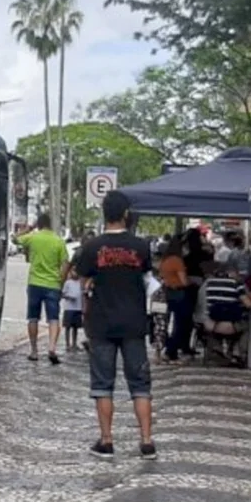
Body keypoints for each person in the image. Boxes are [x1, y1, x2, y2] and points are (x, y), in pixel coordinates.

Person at [76, 191, 156, 461]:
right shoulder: (141, 246)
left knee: (102, 384)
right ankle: (146, 442)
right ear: (126, 214)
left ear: (103, 214)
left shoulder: (91, 247)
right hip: (134, 323)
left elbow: (82, 281)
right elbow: (146, 276)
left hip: (101, 324)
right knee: (140, 384)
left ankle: (107, 441)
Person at [16, 213, 69, 364]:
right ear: (51, 224)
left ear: (38, 224)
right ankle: (51, 347)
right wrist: (61, 281)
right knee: (53, 318)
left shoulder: (33, 238)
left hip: (34, 283)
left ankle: (34, 351)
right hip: (53, 284)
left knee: (33, 318)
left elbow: (14, 239)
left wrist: (28, 229)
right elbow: (65, 263)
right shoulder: (58, 241)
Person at [202, 260, 251, 363]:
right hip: (230, 326)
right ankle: (238, 353)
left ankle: (217, 348)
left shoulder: (209, 282)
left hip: (212, 324)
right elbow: (248, 304)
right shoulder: (236, 283)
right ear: (231, 272)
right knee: (247, 326)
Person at [159, 236, 192, 362]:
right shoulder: (177, 261)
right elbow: (183, 281)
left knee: (164, 323)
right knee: (181, 324)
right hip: (178, 293)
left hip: (166, 292)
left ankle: (168, 347)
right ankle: (171, 349)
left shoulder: (165, 260)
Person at [61, 269, 84, 351]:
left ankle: (74, 343)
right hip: (69, 308)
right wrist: (69, 297)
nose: (75, 273)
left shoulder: (81, 283)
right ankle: (67, 344)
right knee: (68, 327)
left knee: (76, 327)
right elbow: (63, 294)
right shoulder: (68, 282)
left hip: (78, 308)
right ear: (71, 272)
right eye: (74, 271)